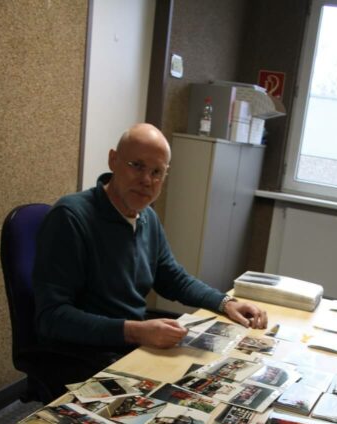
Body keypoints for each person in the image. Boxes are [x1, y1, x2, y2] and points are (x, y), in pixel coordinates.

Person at [33, 123, 267, 398]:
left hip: (131, 348)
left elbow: (172, 278)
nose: (147, 180)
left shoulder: (146, 217)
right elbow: (52, 318)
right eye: (137, 166)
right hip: (86, 357)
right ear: (113, 160)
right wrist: (135, 332)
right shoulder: (71, 218)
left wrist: (226, 303)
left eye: (157, 172)